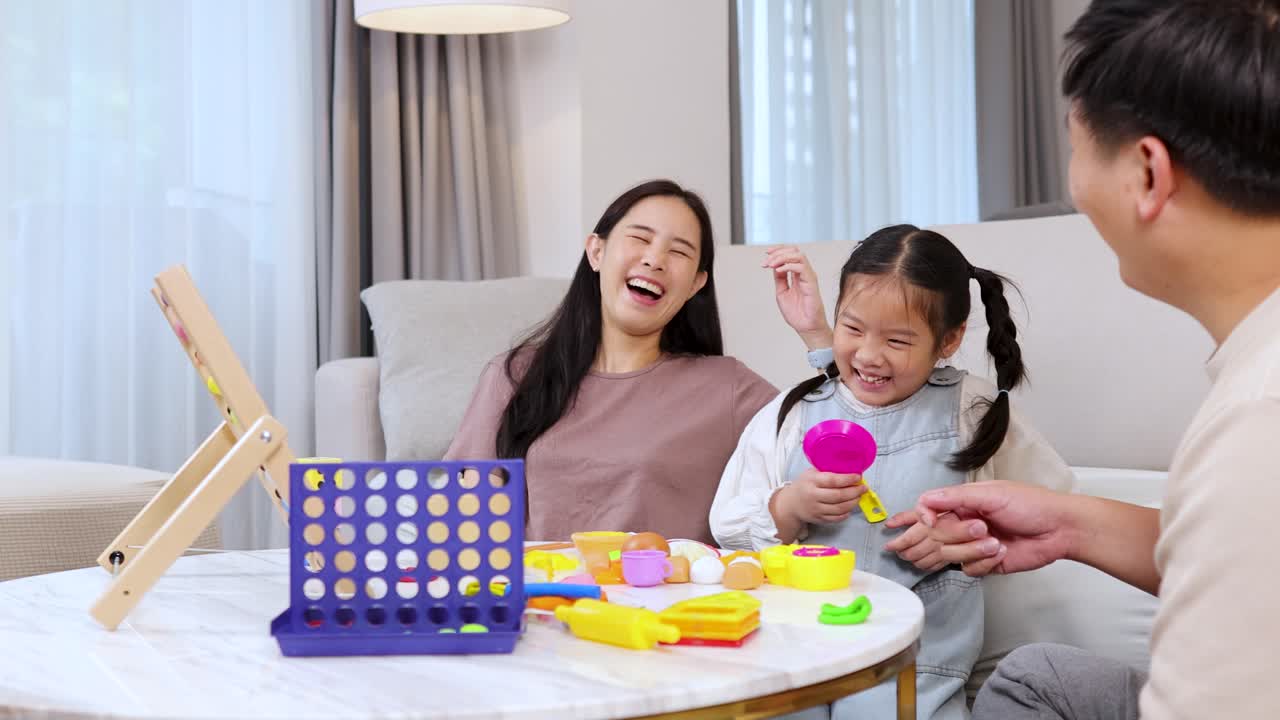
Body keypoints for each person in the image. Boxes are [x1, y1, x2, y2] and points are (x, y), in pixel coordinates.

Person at [914, 2, 1280, 718]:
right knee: (1035, 677)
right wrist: (1071, 524)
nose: (1074, 186)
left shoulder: (1257, 424)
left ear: (1147, 173)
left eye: (1076, 145)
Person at [711, 225, 1073, 719]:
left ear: (948, 340)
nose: (868, 355)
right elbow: (728, 527)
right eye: (852, 329)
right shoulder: (794, 412)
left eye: (897, 340)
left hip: (920, 672)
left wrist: (968, 533)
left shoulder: (972, 411)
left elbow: (1057, 513)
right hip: (796, 662)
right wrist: (790, 506)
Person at [444, 179, 827, 544]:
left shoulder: (727, 388)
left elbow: (841, 449)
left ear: (696, 283)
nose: (655, 259)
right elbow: (461, 518)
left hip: (670, 607)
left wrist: (816, 334)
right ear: (596, 252)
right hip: (546, 605)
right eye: (640, 238)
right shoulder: (514, 377)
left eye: (678, 252)